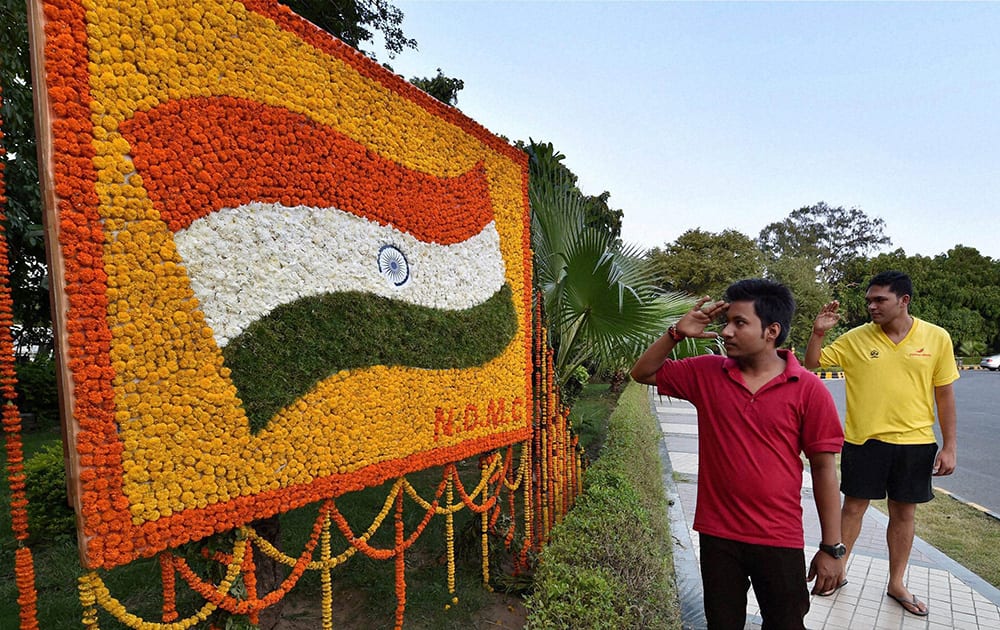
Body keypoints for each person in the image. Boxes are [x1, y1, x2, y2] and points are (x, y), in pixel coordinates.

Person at [631, 279, 845, 629]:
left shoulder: (808, 389)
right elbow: (643, 373)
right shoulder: (708, 372)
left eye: (739, 322)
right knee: (722, 623)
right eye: (726, 321)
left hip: (778, 535)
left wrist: (832, 548)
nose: (726, 331)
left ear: (771, 331)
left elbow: (824, 469)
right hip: (718, 536)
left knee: (786, 624)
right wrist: (676, 333)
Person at [805, 270, 959, 617]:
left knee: (904, 514)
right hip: (864, 440)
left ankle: (896, 582)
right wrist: (818, 333)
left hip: (916, 442)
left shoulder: (936, 338)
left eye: (880, 300)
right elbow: (812, 363)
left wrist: (950, 446)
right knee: (854, 508)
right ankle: (837, 572)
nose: (872, 306)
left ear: (904, 301)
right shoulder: (856, 339)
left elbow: (945, 395)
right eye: (869, 301)